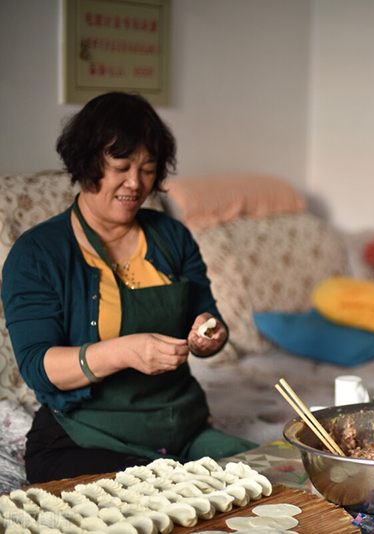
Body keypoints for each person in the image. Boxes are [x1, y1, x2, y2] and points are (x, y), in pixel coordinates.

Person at [1, 92, 257, 483]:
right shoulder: (38, 253)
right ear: (86, 164)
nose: (135, 184)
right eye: (121, 166)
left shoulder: (173, 237)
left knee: (272, 480)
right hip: (87, 438)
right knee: (160, 505)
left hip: (183, 433)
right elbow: (39, 368)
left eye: (148, 169)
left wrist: (211, 334)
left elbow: (209, 319)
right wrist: (124, 351)